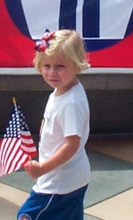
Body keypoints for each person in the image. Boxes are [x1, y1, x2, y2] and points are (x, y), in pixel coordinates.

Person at [17, 29, 91, 220]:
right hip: (74, 177)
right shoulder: (66, 90)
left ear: (76, 65)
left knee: (26, 216)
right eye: (47, 66)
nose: (52, 73)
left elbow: (72, 144)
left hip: (58, 182)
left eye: (60, 66)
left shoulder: (70, 102)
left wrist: (42, 169)